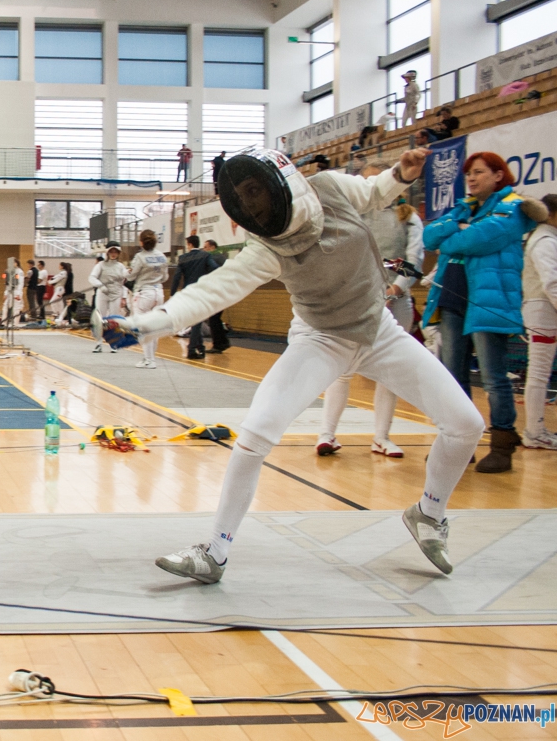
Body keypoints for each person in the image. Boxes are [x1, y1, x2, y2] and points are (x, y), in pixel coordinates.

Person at [107, 146, 485, 583]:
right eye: (242, 198)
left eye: (254, 190)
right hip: (321, 339)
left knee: (466, 425)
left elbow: (373, 192)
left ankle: (428, 514)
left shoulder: (330, 188)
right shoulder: (267, 247)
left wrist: (401, 174)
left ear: (279, 180)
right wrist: (143, 325)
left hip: (379, 331)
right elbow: (209, 293)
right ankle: (214, 551)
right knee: (255, 435)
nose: (250, 203)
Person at [422, 152, 546, 472]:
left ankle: (503, 445)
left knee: (493, 378)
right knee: (453, 378)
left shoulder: (514, 207)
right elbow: (429, 236)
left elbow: (477, 239)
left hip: (487, 302)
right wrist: (456, 223)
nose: (472, 179)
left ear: (498, 176)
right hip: (452, 299)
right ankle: (459, 444)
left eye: (478, 172)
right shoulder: (465, 207)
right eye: (468, 175)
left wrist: (455, 236)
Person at [318, 166, 423, 458]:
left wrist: (395, 288)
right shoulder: (348, 215)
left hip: (396, 302)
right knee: (343, 369)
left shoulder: (408, 217)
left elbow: (413, 260)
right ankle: (326, 434)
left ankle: (381, 437)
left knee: (390, 372)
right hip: (353, 300)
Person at [521, 194, 557, 450]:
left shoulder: (546, 238)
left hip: (543, 310)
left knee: (539, 374)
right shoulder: (545, 240)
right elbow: (552, 283)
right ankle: (534, 432)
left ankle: (536, 430)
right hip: (542, 311)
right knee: (539, 374)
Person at [168, 235, 219, 360]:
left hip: (188, 292)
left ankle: (198, 348)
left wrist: (172, 293)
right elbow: (215, 268)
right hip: (201, 291)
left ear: (189, 244)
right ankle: (193, 348)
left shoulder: (183, 258)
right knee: (197, 320)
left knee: (195, 320)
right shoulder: (205, 256)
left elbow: (177, 277)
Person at [129, 230, 169, 368]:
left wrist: (124, 272)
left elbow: (131, 276)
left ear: (141, 242)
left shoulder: (139, 257)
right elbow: (165, 277)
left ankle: (149, 360)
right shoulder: (162, 256)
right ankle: (150, 358)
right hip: (159, 293)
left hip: (144, 293)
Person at [88, 241, 128, 353]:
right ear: (108, 252)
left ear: (118, 253)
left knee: (113, 319)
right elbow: (92, 278)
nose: (113, 253)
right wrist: (101, 286)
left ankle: (113, 343)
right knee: (100, 319)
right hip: (103, 294)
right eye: (111, 251)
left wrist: (124, 297)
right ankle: (98, 343)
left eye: (116, 251)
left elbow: (123, 282)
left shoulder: (121, 266)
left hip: (116, 294)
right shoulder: (100, 265)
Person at [202, 240, 231, 354]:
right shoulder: (222, 258)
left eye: (206, 247)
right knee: (215, 318)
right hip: (223, 290)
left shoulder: (213, 258)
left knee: (214, 318)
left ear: (212, 247)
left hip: (217, 291)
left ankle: (219, 344)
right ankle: (222, 342)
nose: (204, 249)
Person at [4, 257, 25, 323]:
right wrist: (5, 293)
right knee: (5, 307)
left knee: (16, 308)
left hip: (16, 292)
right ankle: (3, 323)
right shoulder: (10, 271)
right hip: (9, 292)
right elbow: (7, 283)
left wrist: (18, 294)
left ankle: (16, 324)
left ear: (16, 263)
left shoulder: (19, 272)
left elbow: (20, 283)